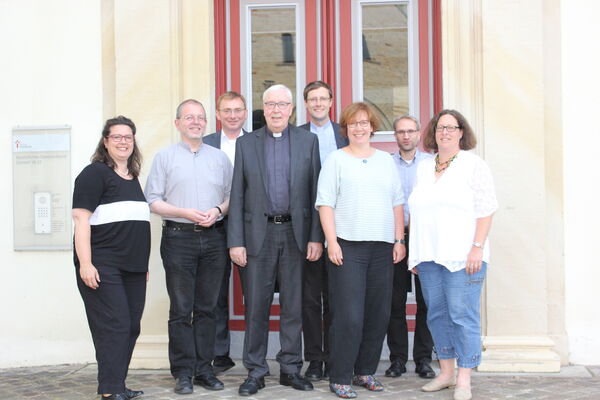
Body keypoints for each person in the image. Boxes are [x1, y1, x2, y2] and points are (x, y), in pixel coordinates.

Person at [228, 84, 323, 396]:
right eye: (271, 104)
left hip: (296, 234)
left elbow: (314, 194)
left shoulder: (308, 142)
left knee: (294, 306)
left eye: (283, 104)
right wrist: (236, 241)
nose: (277, 110)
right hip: (258, 235)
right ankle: (255, 371)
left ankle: (291, 368)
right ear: (263, 108)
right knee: (256, 305)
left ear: (292, 109)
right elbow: (237, 194)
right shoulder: (246, 144)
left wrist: (315, 237)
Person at [316, 102, 406, 399]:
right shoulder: (335, 160)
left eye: (364, 123)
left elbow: (396, 201)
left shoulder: (385, 160)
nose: (359, 128)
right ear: (346, 128)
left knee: (377, 313)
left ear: (372, 127)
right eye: (353, 123)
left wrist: (399, 239)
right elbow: (325, 203)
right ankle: (340, 374)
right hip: (348, 247)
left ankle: (365, 370)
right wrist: (332, 241)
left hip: (382, 248)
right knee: (349, 315)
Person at [145, 99, 233, 395]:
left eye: (201, 117)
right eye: (189, 117)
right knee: (182, 309)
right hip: (178, 238)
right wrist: (184, 212)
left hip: (213, 238)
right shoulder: (164, 157)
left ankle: (204, 369)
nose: (196, 122)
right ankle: (183, 372)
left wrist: (218, 211)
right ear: (178, 123)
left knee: (208, 308)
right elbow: (152, 200)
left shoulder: (220, 158)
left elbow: (232, 196)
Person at [408, 109, 497, 400]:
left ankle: (464, 378)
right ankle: (445, 373)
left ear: (461, 132)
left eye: (451, 127)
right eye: (439, 128)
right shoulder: (424, 167)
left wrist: (477, 247)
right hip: (430, 256)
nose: (444, 132)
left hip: (463, 256)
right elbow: (419, 214)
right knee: (437, 315)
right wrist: (416, 255)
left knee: (462, 315)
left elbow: (486, 209)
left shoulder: (473, 165)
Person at [72, 116, 150, 400]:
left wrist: (142, 267)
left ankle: (117, 383)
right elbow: (81, 221)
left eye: (128, 136)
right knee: (114, 325)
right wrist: (86, 264)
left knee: (131, 326)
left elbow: (134, 225)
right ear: (105, 141)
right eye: (116, 136)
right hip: (104, 265)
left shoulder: (132, 176)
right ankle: (109, 390)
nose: (123, 141)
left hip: (133, 269)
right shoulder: (94, 174)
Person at [298, 80, 348, 381]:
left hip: (343, 228)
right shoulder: (297, 135)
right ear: (306, 104)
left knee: (338, 299)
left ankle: (335, 357)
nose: (318, 103)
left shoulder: (344, 135)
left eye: (323, 98)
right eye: (312, 99)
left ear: (331, 102)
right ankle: (314, 359)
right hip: (306, 230)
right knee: (309, 300)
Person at [385, 115, 436, 380]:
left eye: (411, 131)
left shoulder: (431, 164)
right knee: (394, 303)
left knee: (426, 302)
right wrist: (397, 239)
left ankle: (424, 359)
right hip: (395, 238)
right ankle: (397, 360)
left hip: (424, 239)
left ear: (419, 133)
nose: (406, 136)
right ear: (395, 135)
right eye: (401, 132)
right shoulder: (385, 164)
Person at [203, 91, 248, 374]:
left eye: (238, 110)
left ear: (245, 113)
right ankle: (219, 353)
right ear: (218, 114)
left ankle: (253, 353)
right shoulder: (206, 143)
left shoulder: (257, 141)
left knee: (255, 291)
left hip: (249, 225)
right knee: (214, 291)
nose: (232, 115)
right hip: (215, 224)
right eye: (226, 110)